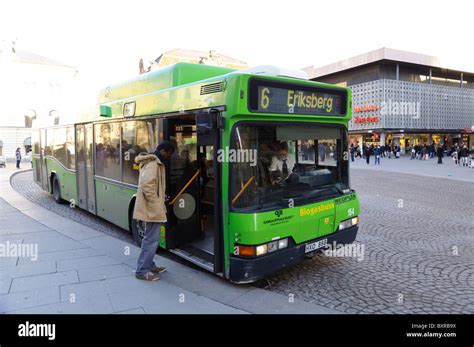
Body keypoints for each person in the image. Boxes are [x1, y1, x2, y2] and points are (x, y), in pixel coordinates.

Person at [133, 141, 175, 281]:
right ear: (163, 151)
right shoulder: (153, 163)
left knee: (151, 238)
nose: (169, 157)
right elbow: (147, 185)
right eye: (169, 153)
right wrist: (156, 203)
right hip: (151, 209)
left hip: (152, 207)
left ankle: (149, 265)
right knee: (151, 240)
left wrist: (161, 197)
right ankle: (142, 270)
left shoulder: (154, 161)